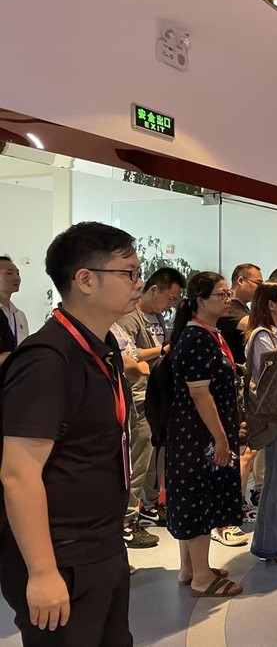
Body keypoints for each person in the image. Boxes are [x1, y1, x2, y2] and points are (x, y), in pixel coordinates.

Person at [0, 221, 141, 645]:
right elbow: (18, 474)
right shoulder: (47, 359)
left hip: (103, 541)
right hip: (62, 553)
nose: (139, 282)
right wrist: (43, 572)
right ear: (85, 280)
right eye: (129, 272)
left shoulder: (101, 347)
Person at [165, 272, 244, 597]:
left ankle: (191, 568)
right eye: (220, 295)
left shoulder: (209, 333)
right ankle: (201, 577)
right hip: (199, 435)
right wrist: (221, 439)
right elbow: (200, 394)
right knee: (199, 498)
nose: (227, 300)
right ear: (200, 301)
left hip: (199, 432)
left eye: (228, 294)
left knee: (195, 496)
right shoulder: (196, 338)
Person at [116, 267, 185, 548]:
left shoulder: (156, 316)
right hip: (139, 395)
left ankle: (150, 504)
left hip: (158, 394)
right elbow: (130, 357)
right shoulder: (128, 317)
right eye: (169, 298)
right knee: (140, 456)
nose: (170, 305)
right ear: (153, 290)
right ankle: (127, 519)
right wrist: (165, 349)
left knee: (156, 454)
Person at [245, 281, 277, 566]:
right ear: (271, 305)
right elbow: (276, 378)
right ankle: (272, 545)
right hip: (276, 417)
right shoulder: (263, 337)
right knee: (276, 481)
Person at [215, 263, 263, 544]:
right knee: (241, 454)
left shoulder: (241, 311)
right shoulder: (233, 313)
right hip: (229, 394)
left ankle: (237, 507)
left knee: (248, 453)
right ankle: (229, 514)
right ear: (241, 281)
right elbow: (253, 326)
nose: (224, 300)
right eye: (258, 283)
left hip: (239, 392)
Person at [0, 256, 29, 366]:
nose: (16, 278)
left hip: (15, 373)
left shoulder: (20, 315)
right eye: (9, 273)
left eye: (18, 273)